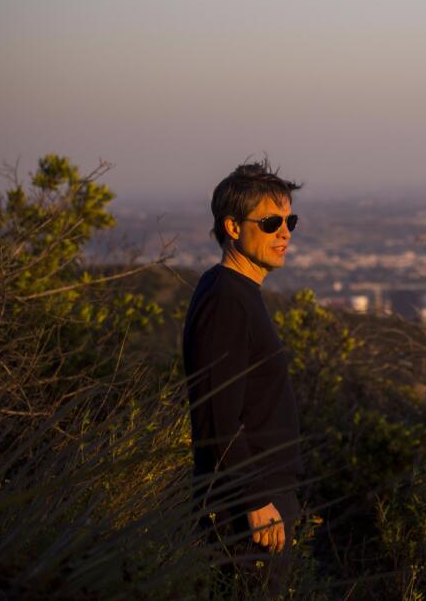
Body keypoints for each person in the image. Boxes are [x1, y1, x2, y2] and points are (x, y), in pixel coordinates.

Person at [183, 160, 304, 596]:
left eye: (289, 220)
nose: (284, 232)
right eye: (270, 222)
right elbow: (217, 414)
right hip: (246, 507)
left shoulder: (236, 292)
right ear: (233, 227)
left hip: (259, 497)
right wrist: (254, 499)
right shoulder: (227, 300)